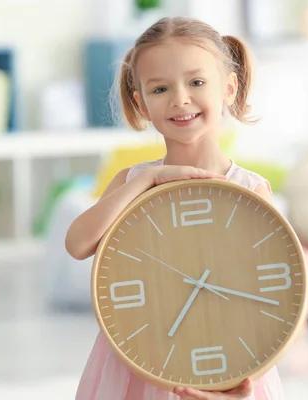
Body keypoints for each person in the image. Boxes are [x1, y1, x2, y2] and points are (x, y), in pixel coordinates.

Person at [66, 16, 281, 400]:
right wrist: (147, 182)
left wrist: (239, 386)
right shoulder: (132, 181)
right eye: (160, 88)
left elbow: (268, 302)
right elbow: (78, 243)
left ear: (228, 89)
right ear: (141, 103)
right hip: (141, 353)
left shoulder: (249, 191)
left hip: (226, 355)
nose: (180, 99)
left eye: (196, 82)